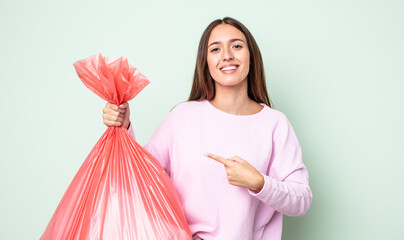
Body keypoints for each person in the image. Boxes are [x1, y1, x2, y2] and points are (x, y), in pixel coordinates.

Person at [102, 17, 312, 240]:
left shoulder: (275, 124)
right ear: (206, 62)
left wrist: (259, 182)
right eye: (215, 49)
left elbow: (301, 200)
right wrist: (123, 128)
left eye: (237, 46)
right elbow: (140, 177)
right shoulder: (182, 117)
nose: (227, 55)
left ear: (252, 57)